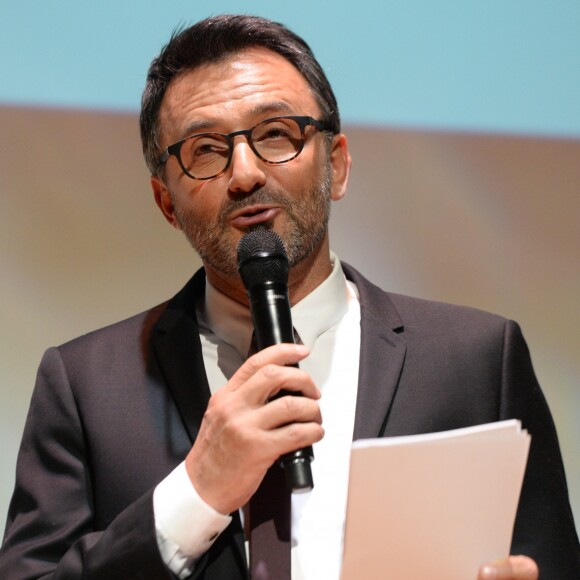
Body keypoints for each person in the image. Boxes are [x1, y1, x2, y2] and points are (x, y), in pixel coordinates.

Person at [0, 13, 578, 580]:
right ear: (166, 202)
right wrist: (196, 492)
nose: (246, 173)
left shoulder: (475, 358)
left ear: (338, 163)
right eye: (205, 149)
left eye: (276, 134)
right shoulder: (84, 385)